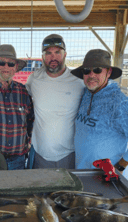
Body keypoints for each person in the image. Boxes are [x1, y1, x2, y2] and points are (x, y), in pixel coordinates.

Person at [71, 49, 128, 172]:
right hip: (81, 169)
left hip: (104, 174)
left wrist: (119, 167)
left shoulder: (119, 102)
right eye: (86, 71)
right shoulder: (86, 93)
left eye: (97, 70)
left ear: (108, 72)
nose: (91, 75)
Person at [25, 34, 85, 169]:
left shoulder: (78, 81)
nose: (53, 57)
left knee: (67, 190)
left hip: (69, 153)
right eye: (48, 53)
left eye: (57, 52)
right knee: (39, 189)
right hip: (40, 153)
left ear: (65, 54)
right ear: (42, 56)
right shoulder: (34, 79)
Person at [0, 44, 34, 170]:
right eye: (1, 63)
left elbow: (30, 120)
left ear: (15, 67)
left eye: (10, 64)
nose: (6, 67)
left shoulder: (23, 91)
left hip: (19, 160)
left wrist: (29, 140)